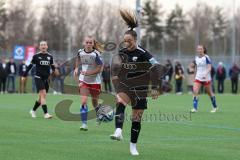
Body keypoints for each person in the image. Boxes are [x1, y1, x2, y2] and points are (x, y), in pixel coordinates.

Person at [109, 9, 167, 156]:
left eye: (129, 41)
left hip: (141, 86)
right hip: (126, 84)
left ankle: (133, 146)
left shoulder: (143, 53)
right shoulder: (122, 53)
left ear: (135, 40)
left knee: (136, 116)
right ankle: (118, 131)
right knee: (120, 101)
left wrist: (155, 87)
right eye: (125, 41)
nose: (127, 43)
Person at [74, 36, 104, 131]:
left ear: (93, 44)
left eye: (90, 43)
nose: (88, 44)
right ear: (84, 43)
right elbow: (78, 59)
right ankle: (84, 124)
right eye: (86, 42)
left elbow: (100, 68)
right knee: (83, 101)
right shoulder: (80, 52)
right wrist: (76, 68)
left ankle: (98, 112)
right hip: (83, 80)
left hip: (95, 81)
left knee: (95, 102)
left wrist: (88, 73)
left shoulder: (96, 54)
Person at [24, 41, 55, 119]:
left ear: (47, 46)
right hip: (38, 77)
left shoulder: (50, 56)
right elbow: (30, 66)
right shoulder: (36, 56)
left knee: (41, 97)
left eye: (44, 45)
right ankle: (46, 114)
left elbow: (52, 66)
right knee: (43, 94)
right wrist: (25, 73)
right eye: (41, 45)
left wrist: (54, 72)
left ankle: (33, 110)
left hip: (47, 79)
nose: (43, 46)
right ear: (39, 47)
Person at [191, 45, 218, 113]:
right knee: (195, 91)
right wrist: (194, 76)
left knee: (209, 93)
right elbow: (196, 68)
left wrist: (205, 75)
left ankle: (215, 106)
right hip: (198, 78)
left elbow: (209, 68)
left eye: (201, 49)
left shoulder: (206, 57)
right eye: (198, 49)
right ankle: (195, 108)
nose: (199, 50)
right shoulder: (196, 58)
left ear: (203, 50)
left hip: (206, 78)